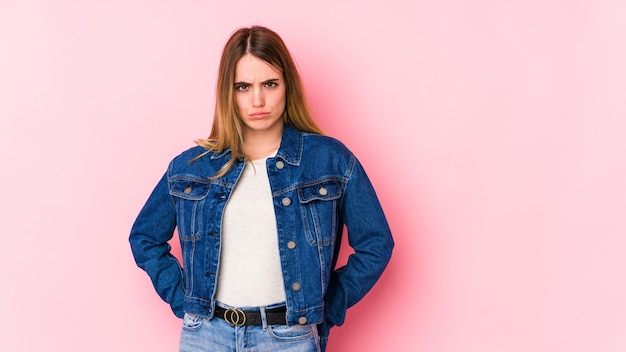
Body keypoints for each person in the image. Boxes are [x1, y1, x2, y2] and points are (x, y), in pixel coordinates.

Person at [129, 25, 393, 352]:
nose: (257, 100)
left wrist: (326, 305)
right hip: (206, 337)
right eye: (243, 86)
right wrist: (184, 300)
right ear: (229, 92)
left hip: (288, 339)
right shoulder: (192, 167)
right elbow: (144, 237)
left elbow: (377, 244)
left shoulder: (329, 161)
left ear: (287, 86)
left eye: (269, 84)